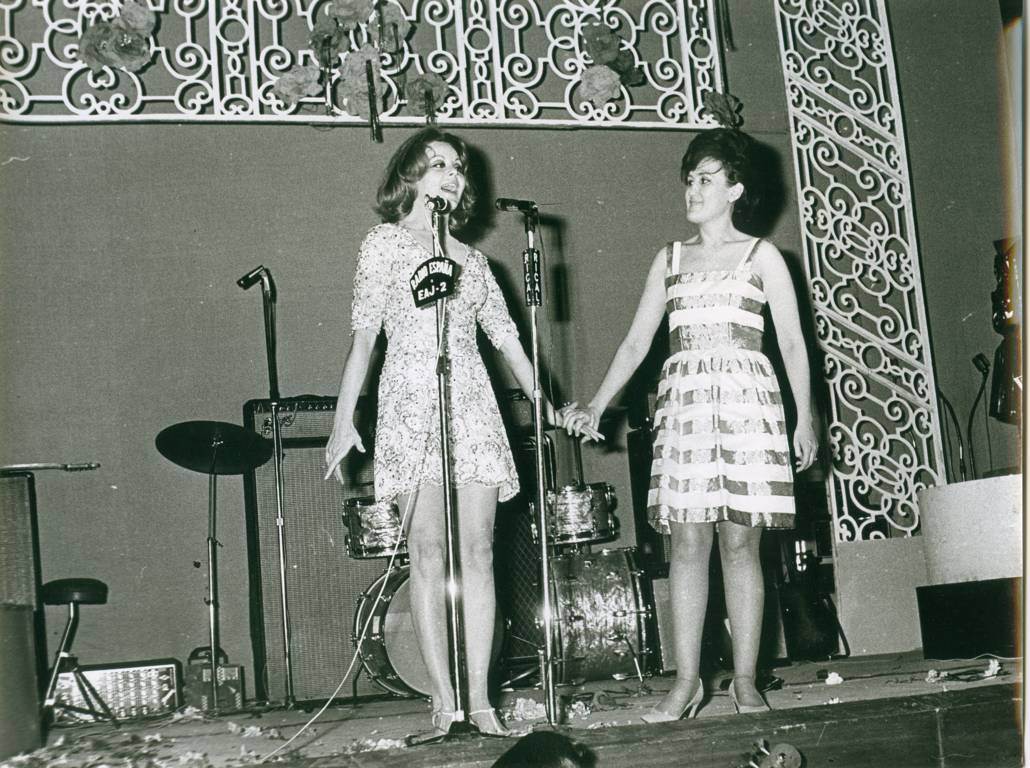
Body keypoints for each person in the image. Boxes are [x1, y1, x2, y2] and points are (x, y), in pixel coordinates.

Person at [563, 127, 818, 721]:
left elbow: (793, 344)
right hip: (687, 409)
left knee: (741, 542)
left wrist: (805, 418)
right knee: (687, 541)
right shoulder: (670, 259)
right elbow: (635, 343)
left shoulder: (763, 257)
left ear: (735, 189)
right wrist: (598, 404)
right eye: (689, 179)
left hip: (748, 406)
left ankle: (746, 681)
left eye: (706, 179)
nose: (693, 189)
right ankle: (686, 683)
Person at [323, 128, 564, 736]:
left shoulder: (476, 262)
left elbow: (508, 340)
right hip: (410, 402)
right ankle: (443, 701)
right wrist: (343, 419)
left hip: (473, 404)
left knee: (479, 551)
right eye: (437, 165)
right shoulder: (382, 244)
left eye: (458, 166)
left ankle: (480, 701)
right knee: (427, 553)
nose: (452, 175)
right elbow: (365, 337)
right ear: (409, 177)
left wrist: (546, 401)